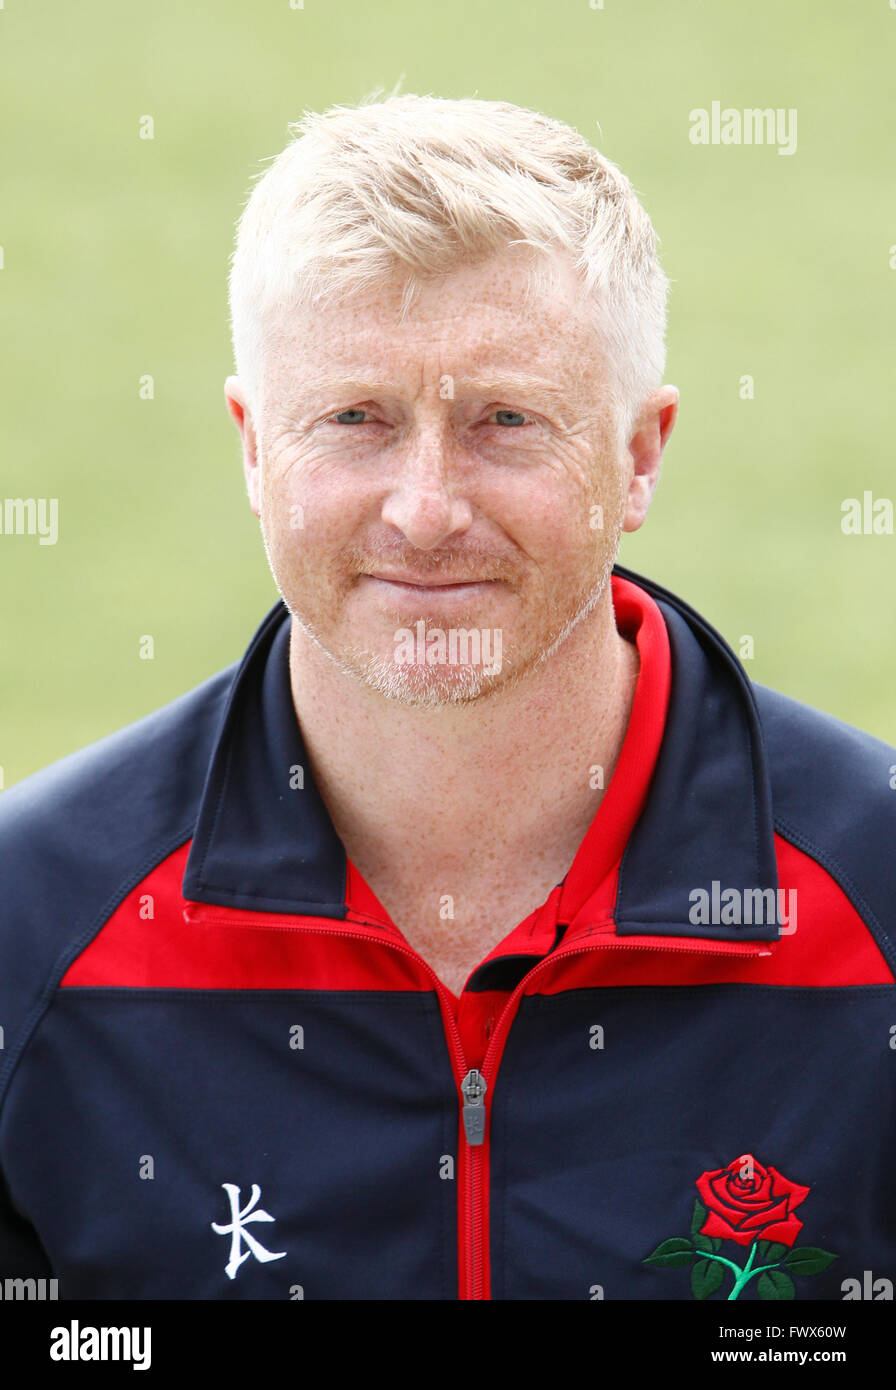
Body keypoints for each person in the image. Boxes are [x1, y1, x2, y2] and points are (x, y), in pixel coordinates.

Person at [1, 93, 894, 1303]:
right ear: (253, 448)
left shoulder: (875, 892)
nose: (425, 509)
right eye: (354, 418)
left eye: (505, 420)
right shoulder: (30, 921)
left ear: (639, 455)